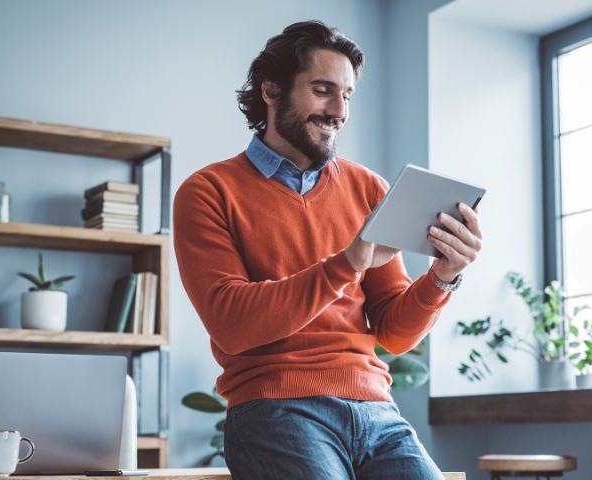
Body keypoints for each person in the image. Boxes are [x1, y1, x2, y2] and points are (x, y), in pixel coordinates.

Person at [173, 20, 483, 479]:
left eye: (348, 95)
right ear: (271, 92)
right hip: (275, 407)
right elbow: (232, 323)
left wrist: (441, 277)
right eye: (322, 90)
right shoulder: (208, 192)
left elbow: (394, 333)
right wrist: (346, 264)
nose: (339, 110)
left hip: (378, 411)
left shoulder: (368, 189)